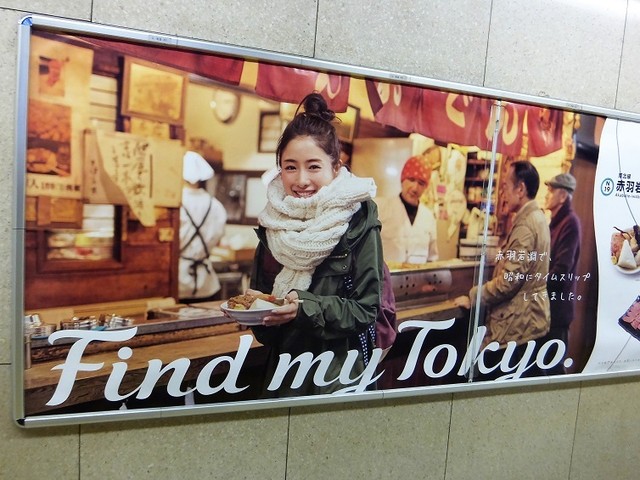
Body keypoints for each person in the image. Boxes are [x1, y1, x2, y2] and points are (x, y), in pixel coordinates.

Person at [248, 92, 384, 397]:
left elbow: (365, 310)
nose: (301, 180)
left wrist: (302, 308)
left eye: (313, 166)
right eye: (290, 167)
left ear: (335, 168)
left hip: (337, 378)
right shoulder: (272, 222)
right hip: (284, 375)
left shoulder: (357, 219)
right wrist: (257, 309)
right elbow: (266, 330)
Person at [454, 160, 550, 379]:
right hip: (529, 319)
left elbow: (509, 281)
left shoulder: (526, 225)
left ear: (520, 189)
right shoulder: (538, 217)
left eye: (505, 186)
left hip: (517, 324)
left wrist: (474, 296)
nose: (502, 193)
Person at [540, 172, 581, 374]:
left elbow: (561, 271)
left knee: (553, 371)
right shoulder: (556, 222)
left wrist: (534, 286)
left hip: (557, 312)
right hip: (548, 310)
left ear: (563, 196)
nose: (546, 195)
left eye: (551, 191)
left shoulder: (570, 223)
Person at [179, 151, 227, 302]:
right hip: (207, 283)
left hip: (178, 281)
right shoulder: (216, 205)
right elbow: (218, 236)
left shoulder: (175, 202)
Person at [376, 154, 439, 264]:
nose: (415, 188)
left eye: (421, 183)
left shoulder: (428, 217)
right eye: (411, 179)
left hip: (419, 274)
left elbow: (432, 259)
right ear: (402, 180)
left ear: (425, 187)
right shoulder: (381, 208)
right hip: (387, 274)